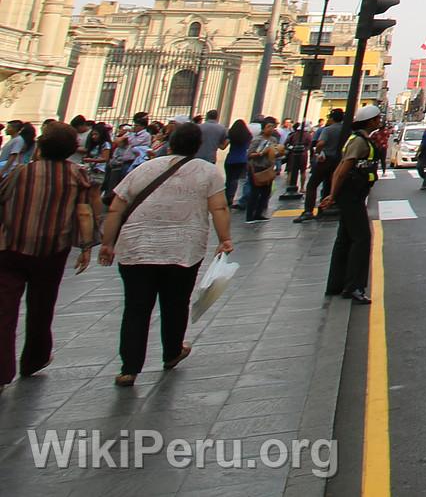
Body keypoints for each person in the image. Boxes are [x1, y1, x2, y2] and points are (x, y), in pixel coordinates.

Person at [98, 121, 231, 386]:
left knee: (136, 308)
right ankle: (171, 353)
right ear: (198, 146)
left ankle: (129, 368)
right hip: (183, 248)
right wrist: (225, 239)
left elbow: (115, 208)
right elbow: (219, 208)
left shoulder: (145, 168)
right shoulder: (208, 172)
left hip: (137, 248)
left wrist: (107, 243)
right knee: (175, 303)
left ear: (170, 143)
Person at [0, 125, 97, 390]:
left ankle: (1, 370)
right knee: (42, 307)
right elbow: (84, 212)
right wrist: (86, 246)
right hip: (51, 250)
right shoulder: (77, 174)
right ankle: (34, 359)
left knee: (4, 311)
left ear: (40, 147)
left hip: (11, 247)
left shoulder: (20, 173)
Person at [319, 106, 380, 305]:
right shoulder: (359, 142)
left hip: (353, 194)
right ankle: (354, 287)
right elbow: (342, 170)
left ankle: (337, 284)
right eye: (377, 119)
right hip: (351, 195)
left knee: (344, 239)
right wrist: (332, 195)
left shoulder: (359, 140)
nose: (379, 121)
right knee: (362, 238)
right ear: (370, 121)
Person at [244, 119, 282, 222]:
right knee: (255, 192)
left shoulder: (273, 140)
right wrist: (261, 153)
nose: (271, 129)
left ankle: (259, 213)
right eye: (268, 127)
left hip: (268, 168)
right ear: (263, 128)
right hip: (257, 168)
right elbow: (249, 154)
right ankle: (250, 215)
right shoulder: (257, 140)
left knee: (266, 192)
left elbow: (275, 153)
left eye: (272, 127)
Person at [222, 119, 251, 210]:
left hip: (231, 159)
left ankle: (228, 198)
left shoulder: (231, 134)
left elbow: (223, 146)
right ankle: (240, 199)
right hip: (243, 159)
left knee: (229, 180)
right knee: (241, 180)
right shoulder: (248, 136)